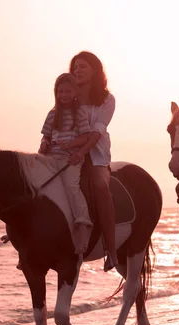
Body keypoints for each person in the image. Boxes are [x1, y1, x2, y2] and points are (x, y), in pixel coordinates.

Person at [65, 51, 118, 272]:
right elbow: (56, 120)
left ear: (95, 70)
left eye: (83, 66)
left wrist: (83, 152)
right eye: (75, 67)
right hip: (68, 153)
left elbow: (97, 131)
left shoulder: (106, 99)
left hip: (96, 156)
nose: (78, 70)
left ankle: (112, 249)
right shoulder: (69, 97)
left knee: (99, 185)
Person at [38, 73, 93, 255]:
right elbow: (46, 135)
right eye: (61, 91)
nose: (64, 95)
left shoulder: (80, 113)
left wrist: (71, 145)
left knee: (71, 187)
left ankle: (83, 224)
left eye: (68, 91)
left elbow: (85, 136)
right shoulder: (53, 114)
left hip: (69, 158)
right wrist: (44, 144)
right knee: (37, 185)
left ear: (75, 92)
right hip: (51, 157)